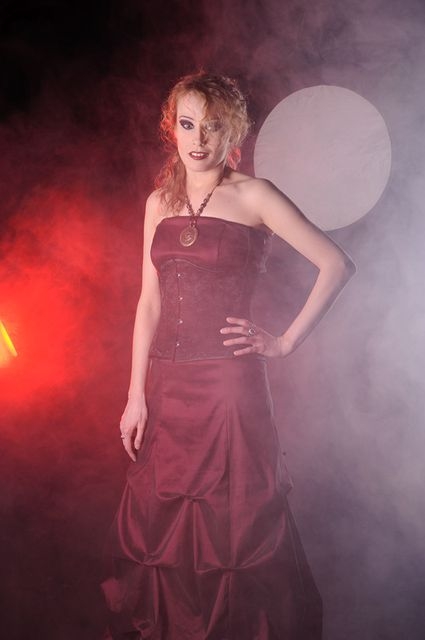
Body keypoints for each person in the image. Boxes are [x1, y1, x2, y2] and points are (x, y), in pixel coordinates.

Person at [102, 72, 356, 640]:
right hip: (167, 389)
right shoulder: (158, 202)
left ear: (234, 132)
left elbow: (337, 264)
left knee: (236, 530)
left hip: (229, 389)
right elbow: (149, 303)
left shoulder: (255, 195)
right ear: (172, 129)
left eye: (213, 127)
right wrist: (135, 395)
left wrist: (283, 342)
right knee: (164, 535)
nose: (199, 139)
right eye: (188, 124)